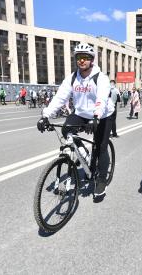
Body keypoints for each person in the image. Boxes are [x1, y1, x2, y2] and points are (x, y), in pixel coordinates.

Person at [37, 42, 114, 198]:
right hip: (80, 113)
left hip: (103, 114)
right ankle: (82, 153)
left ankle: (101, 180)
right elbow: (60, 97)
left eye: (85, 57)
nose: (81, 61)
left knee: (101, 147)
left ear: (92, 60)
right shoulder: (72, 78)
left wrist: (96, 117)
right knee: (66, 130)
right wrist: (45, 115)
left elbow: (102, 99)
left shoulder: (101, 78)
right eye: (79, 57)